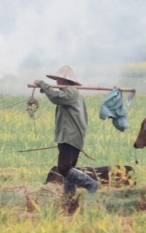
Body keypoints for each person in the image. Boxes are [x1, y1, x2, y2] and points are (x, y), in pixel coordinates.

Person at [36, 65, 100, 202]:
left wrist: (43, 84)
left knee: (64, 168)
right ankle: (69, 198)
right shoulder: (70, 93)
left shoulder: (71, 92)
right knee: (69, 170)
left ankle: (91, 184)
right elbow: (55, 95)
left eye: (59, 80)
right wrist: (44, 89)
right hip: (70, 135)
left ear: (65, 81)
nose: (57, 83)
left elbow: (56, 97)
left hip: (70, 135)